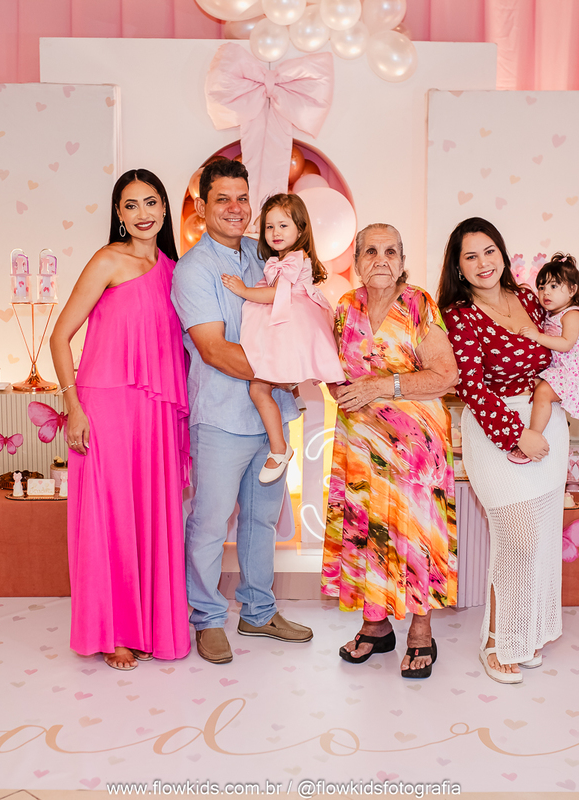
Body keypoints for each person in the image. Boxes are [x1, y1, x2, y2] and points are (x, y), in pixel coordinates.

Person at [171, 159, 314, 665]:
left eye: (242, 198)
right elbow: (213, 349)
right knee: (210, 524)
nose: (235, 208)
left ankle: (258, 611)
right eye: (222, 199)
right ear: (201, 207)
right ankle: (208, 618)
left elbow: (296, 315)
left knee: (261, 520)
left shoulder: (265, 255)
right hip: (221, 418)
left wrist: (305, 357)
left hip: (269, 417)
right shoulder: (194, 269)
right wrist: (285, 369)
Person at [49, 169, 191, 671]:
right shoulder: (107, 260)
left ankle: (149, 626)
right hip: (104, 408)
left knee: (151, 515)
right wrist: (74, 408)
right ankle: (113, 633)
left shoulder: (176, 270)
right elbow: (59, 337)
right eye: (131, 205)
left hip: (155, 413)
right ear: (118, 214)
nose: (142, 213)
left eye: (150, 202)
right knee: (111, 517)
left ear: (165, 208)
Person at [323, 223, 459, 679]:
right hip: (360, 447)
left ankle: (421, 631)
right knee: (370, 534)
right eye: (371, 251)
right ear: (357, 261)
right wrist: (342, 391)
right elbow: (333, 369)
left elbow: (446, 375)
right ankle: (376, 626)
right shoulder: (346, 307)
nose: (380, 259)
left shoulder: (419, 304)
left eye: (390, 251)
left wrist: (381, 387)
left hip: (415, 451)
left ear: (402, 262)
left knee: (416, 537)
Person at [437, 217, 567, 686]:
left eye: (489, 251)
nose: (483, 263)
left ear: (503, 253)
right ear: (459, 267)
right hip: (497, 431)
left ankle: (526, 635)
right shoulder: (459, 315)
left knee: (543, 535)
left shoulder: (530, 299)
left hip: (546, 424)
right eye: (470, 256)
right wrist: (517, 435)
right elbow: (472, 387)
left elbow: (561, 351)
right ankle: (496, 641)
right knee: (518, 537)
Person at [219, 193, 344, 482]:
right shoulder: (284, 258)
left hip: (291, 315)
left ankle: (279, 448)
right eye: (269, 226)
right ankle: (295, 392)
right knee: (281, 362)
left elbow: (278, 294)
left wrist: (243, 290)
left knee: (258, 388)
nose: (275, 232)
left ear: (301, 229)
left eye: (283, 226)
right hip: (291, 315)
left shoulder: (294, 258)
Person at [512, 253, 579, 463]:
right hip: (561, 370)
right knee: (529, 385)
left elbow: (566, 343)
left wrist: (537, 336)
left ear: (572, 290)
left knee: (542, 392)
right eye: (541, 287)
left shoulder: (572, 315)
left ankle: (533, 437)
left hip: (576, 374)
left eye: (553, 286)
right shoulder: (551, 314)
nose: (545, 292)